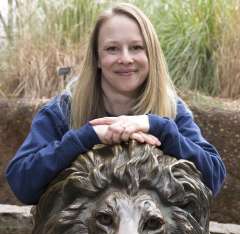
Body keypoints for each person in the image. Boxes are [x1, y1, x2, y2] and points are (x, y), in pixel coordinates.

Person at [5, 2, 226, 205]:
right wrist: (88, 136)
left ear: (151, 54)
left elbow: (213, 179)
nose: (126, 58)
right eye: (112, 49)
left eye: (137, 47)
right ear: (97, 58)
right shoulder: (63, 110)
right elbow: (22, 185)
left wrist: (159, 128)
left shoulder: (172, 110)